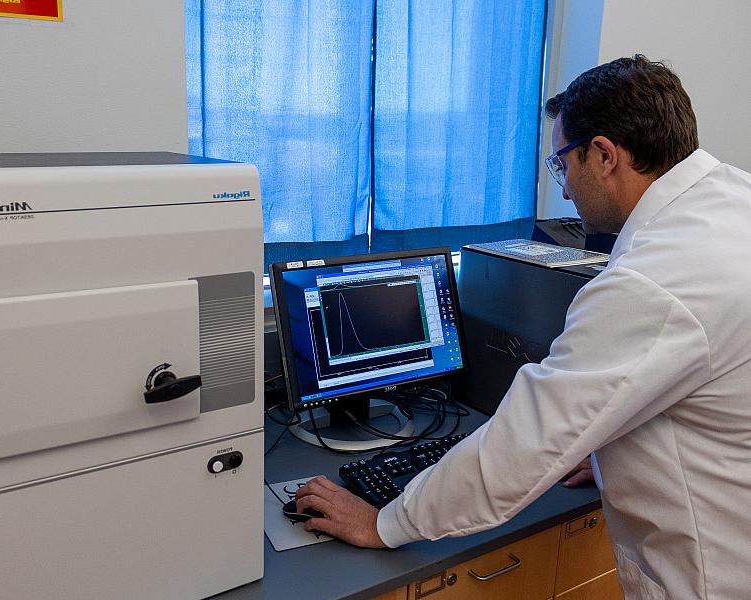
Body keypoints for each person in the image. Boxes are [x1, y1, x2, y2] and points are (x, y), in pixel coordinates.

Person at [295, 55, 751, 600]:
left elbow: (521, 448)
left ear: (604, 155)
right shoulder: (733, 204)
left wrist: (384, 523)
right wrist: (610, 448)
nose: (563, 190)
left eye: (562, 165)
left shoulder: (652, 283)